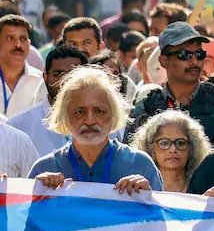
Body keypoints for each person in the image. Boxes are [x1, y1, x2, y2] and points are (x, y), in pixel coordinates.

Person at [31, 65, 161, 195]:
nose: (89, 121)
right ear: (64, 117)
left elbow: (164, 215)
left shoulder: (140, 165)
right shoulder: (44, 169)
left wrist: (148, 200)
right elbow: (22, 214)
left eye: (99, 111)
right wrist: (35, 197)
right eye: (79, 112)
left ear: (113, 115)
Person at [129, 23, 214, 146]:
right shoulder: (145, 108)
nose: (194, 62)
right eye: (184, 55)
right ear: (164, 61)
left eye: (199, 54)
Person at [9, 43, 88, 155]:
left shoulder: (105, 122)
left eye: (72, 74)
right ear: (45, 78)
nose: (64, 81)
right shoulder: (18, 126)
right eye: (58, 74)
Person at [130, 110, 212, 194]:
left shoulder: (204, 188)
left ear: (191, 149)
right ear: (151, 147)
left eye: (181, 143)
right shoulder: (139, 188)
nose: (173, 149)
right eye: (164, 143)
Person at [0, 14, 46, 117]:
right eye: (10, 38)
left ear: (29, 43)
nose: (18, 45)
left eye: (23, 38)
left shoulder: (41, 82)